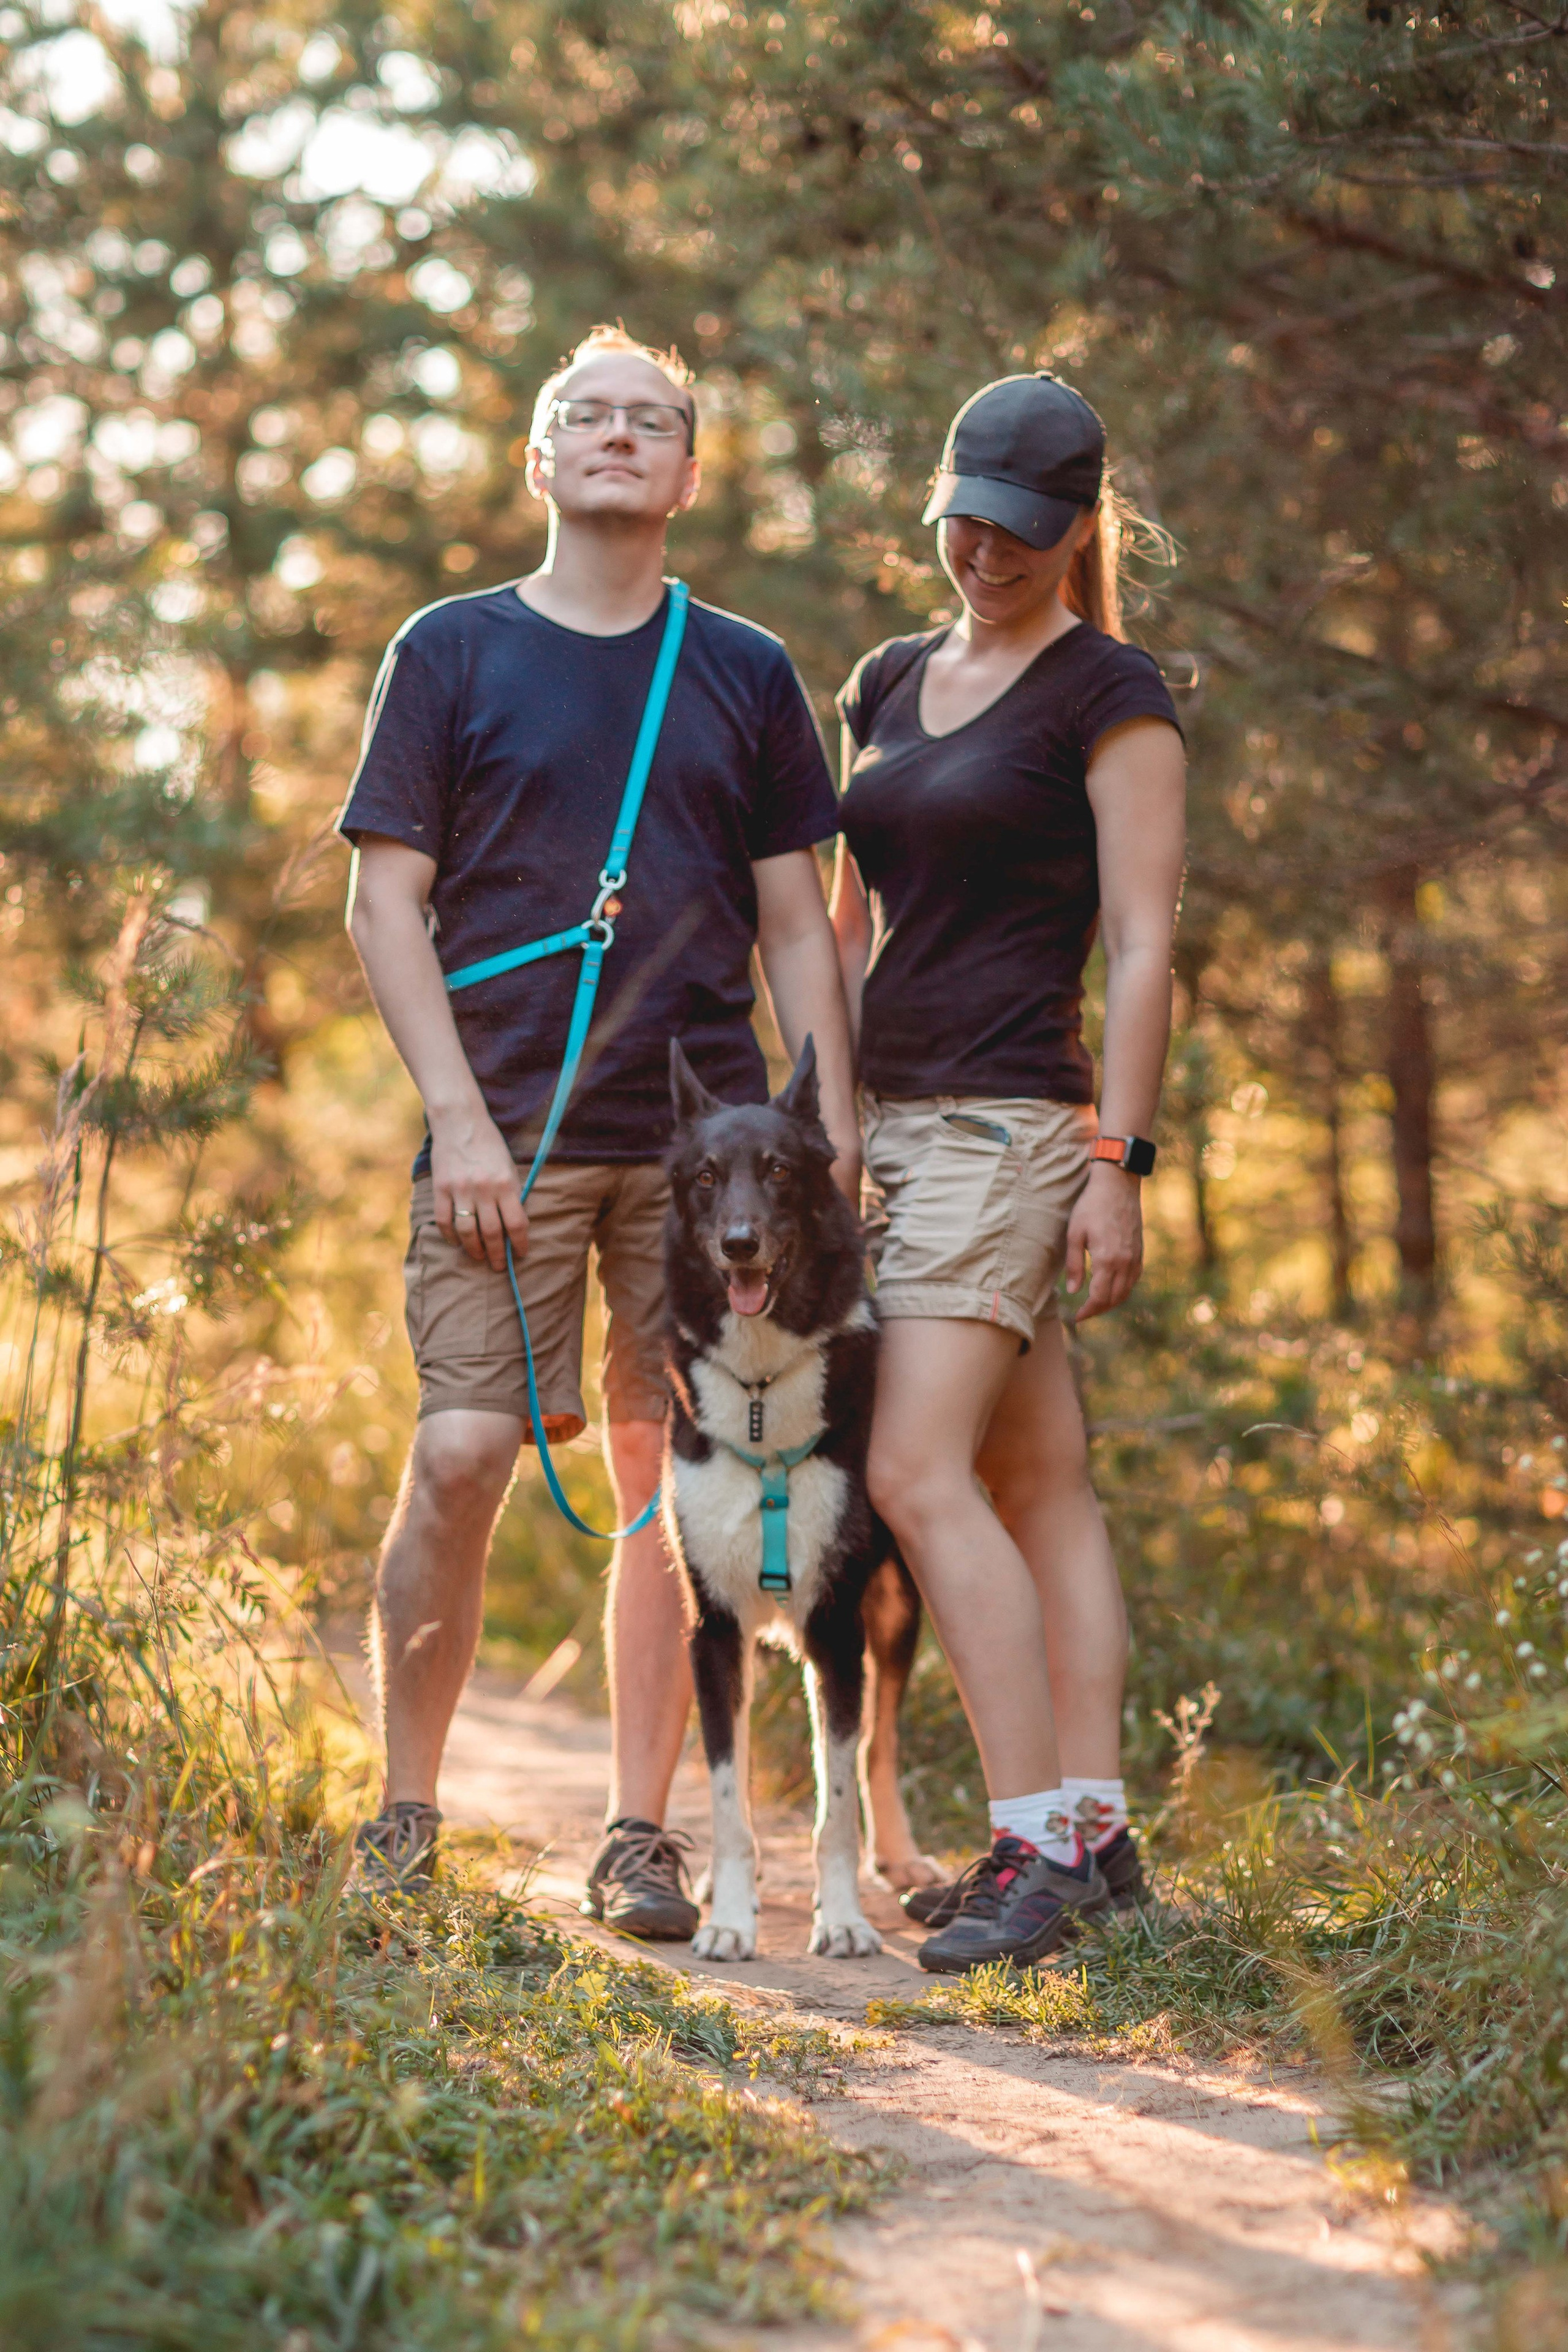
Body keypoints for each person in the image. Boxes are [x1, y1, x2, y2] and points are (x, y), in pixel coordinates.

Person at [338, 325, 858, 1925]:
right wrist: (460, 1122)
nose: (619, 436)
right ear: (540, 459)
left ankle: (640, 1835)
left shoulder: (748, 672)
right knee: (465, 1448)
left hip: (712, 1173)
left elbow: (795, 930)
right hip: (501, 1137)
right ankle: (405, 1812)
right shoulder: (450, 651)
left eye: (653, 422)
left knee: (667, 1481)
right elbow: (383, 903)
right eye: (589, 416)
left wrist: (829, 1140)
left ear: (690, 474)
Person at [830, 372, 1186, 1973]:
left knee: (915, 1475)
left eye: (1022, 532)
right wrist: (818, 1111)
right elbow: (848, 926)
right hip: (888, 1119)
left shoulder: (1111, 691)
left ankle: (1031, 1846)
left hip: (1009, 1124)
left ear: (1078, 528)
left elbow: (1147, 939)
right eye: (966, 518)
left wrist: (1116, 1158)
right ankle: (1098, 1840)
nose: (985, 550)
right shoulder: (894, 678)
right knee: (1039, 1481)